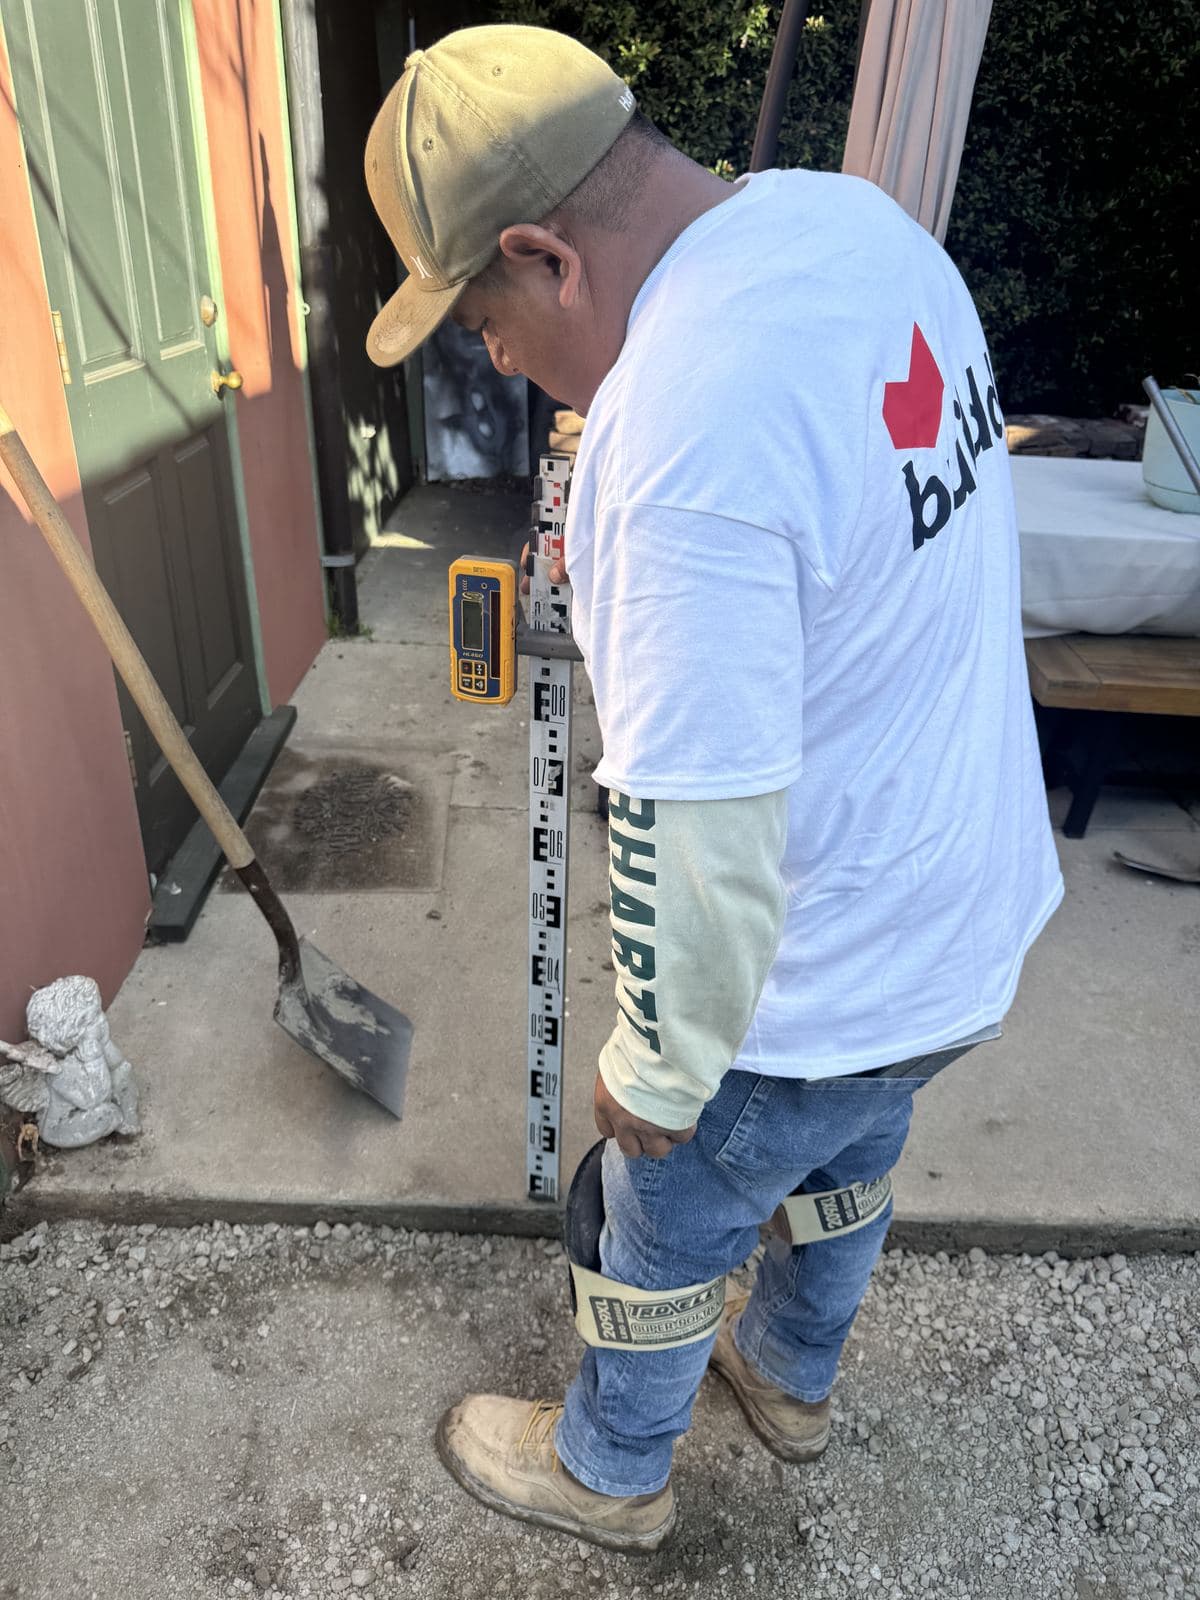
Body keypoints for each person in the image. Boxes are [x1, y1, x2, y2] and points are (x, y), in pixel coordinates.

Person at [364, 24, 1063, 1555]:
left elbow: (701, 823)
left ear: (547, 256)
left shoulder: (679, 437)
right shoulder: (853, 224)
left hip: (809, 976)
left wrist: (656, 1071)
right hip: (963, 922)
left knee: (666, 1216)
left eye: (483, 317)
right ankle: (793, 1382)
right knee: (849, 1163)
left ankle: (612, 1471)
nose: (494, 357)